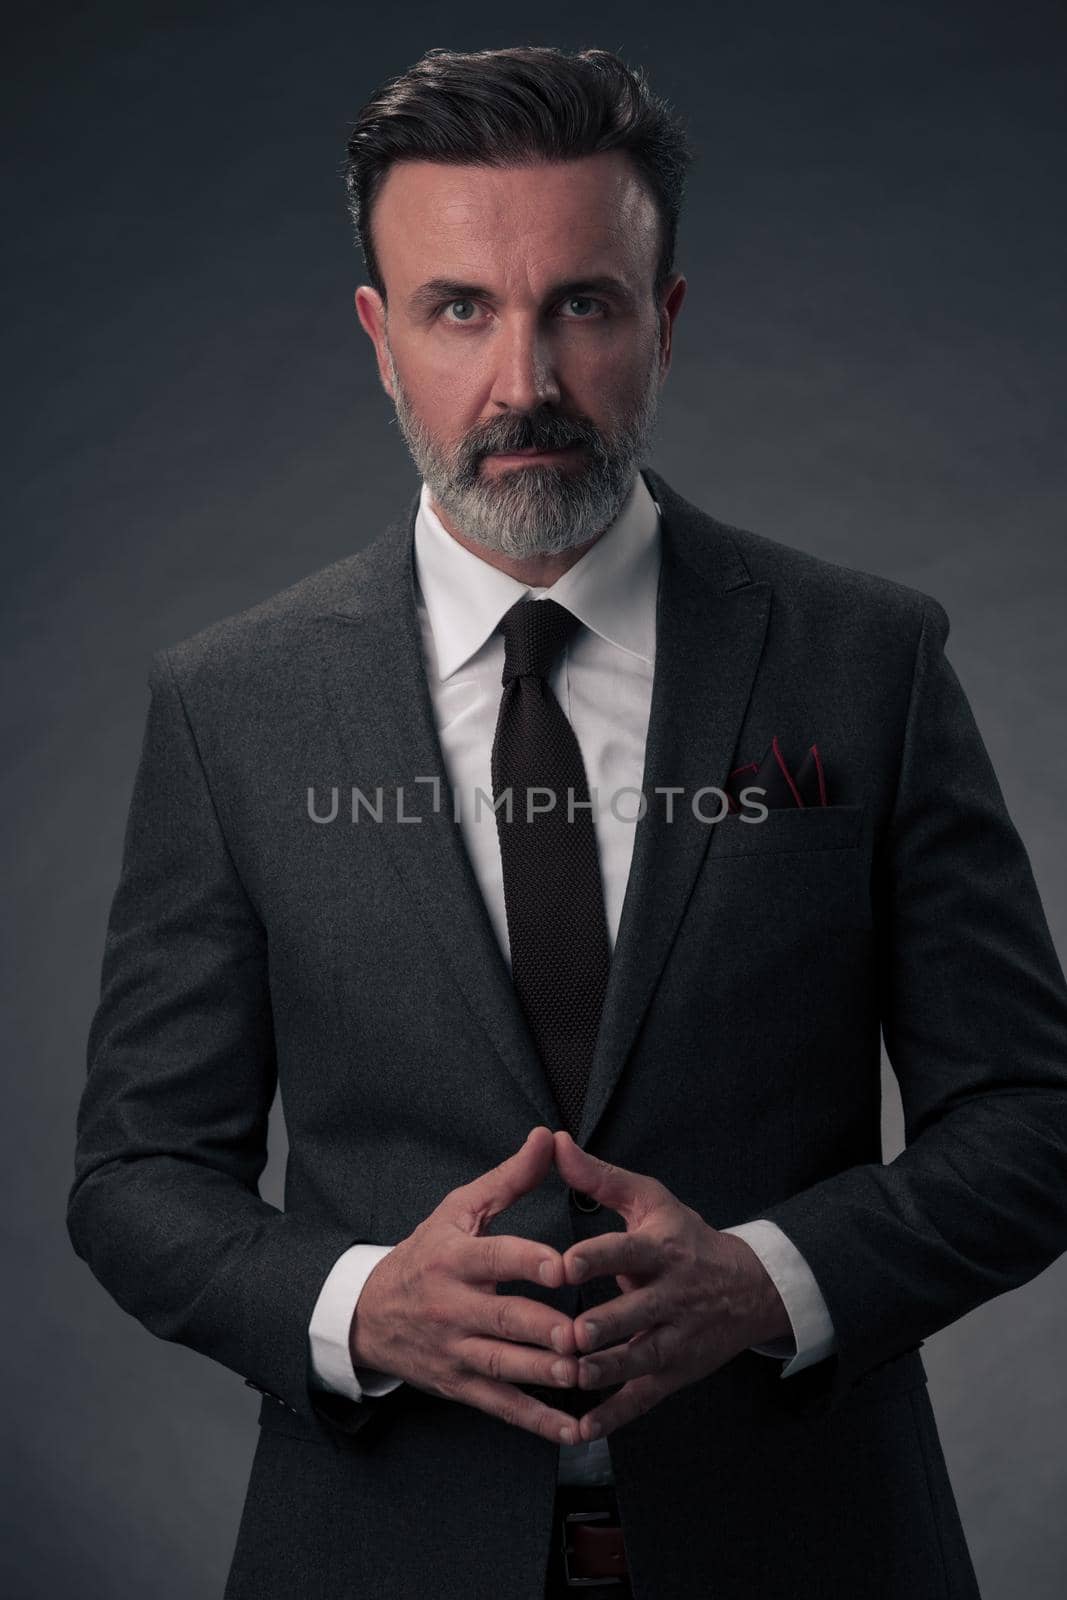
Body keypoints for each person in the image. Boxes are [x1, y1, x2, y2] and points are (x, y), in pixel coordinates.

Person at [67, 45, 1067, 1600]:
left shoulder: (868, 661)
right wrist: (354, 1309)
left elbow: (1034, 1121)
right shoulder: (231, 707)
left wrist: (764, 1283)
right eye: (459, 307)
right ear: (379, 339)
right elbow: (134, 1177)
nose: (522, 382)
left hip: (814, 1552)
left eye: (580, 306)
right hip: (373, 1560)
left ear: (661, 324)